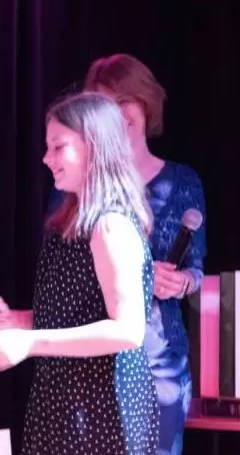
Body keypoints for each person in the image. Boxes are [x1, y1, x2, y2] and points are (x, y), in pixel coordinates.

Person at [0, 92, 160, 454]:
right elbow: (67, 318)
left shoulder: (110, 225)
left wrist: (29, 344)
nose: (46, 158)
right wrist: (5, 320)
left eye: (58, 147)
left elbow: (128, 331)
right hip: (65, 403)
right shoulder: (71, 223)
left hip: (101, 411)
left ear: (93, 147)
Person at [83, 53, 207, 455]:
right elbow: (65, 273)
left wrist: (181, 282)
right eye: (106, 105)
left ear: (145, 102)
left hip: (162, 365)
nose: (118, 115)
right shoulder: (81, 185)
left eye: (125, 101)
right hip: (94, 362)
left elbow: (197, 270)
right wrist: (137, 277)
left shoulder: (184, 182)